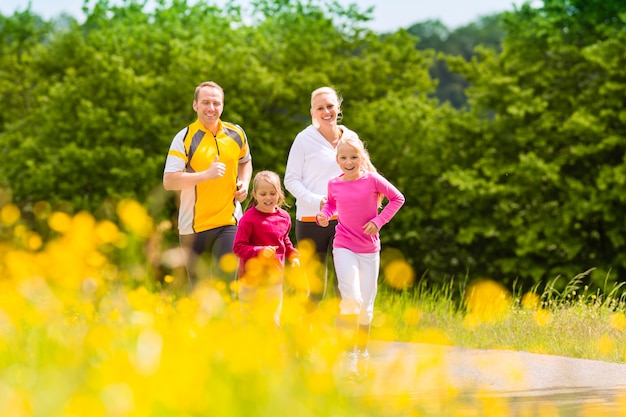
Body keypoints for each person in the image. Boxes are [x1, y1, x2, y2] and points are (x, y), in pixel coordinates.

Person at [316, 135, 405, 377]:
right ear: (338, 160)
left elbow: (398, 198)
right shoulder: (334, 183)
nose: (348, 161)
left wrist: (379, 221)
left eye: (353, 157)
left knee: (366, 306)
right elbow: (332, 205)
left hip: (369, 249)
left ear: (361, 158)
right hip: (343, 244)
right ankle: (349, 356)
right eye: (343, 157)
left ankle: (362, 352)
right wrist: (324, 214)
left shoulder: (372, 180)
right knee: (351, 298)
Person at [163, 81, 252, 291]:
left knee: (228, 285)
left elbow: (245, 161)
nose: (211, 108)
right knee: (199, 293)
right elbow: (169, 181)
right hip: (193, 227)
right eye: (205, 103)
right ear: (195, 105)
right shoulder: (184, 138)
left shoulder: (236, 133)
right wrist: (206, 175)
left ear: (222, 106)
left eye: (216, 103)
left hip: (228, 221)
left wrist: (244, 183)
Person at [284, 86, 359, 307]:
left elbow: (363, 174)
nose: (326, 112)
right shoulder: (303, 139)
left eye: (330, 106)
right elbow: (291, 180)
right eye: (320, 108)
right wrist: (317, 200)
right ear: (312, 113)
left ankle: (342, 338)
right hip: (310, 221)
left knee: (344, 287)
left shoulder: (351, 137)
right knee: (315, 290)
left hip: (345, 222)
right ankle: (305, 338)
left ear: (338, 108)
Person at [233, 171, 300, 327]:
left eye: (272, 193)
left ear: (279, 194)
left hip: (274, 279)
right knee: (250, 322)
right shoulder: (248, 219)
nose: (268, 198)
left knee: (272, 322)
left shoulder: (284, 217)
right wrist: (259, 251)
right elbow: (238, 247)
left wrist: (293, 256)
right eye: (263, 194)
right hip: (250, 281)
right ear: (255, 194)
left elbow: (284, 239)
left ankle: (274, 352)